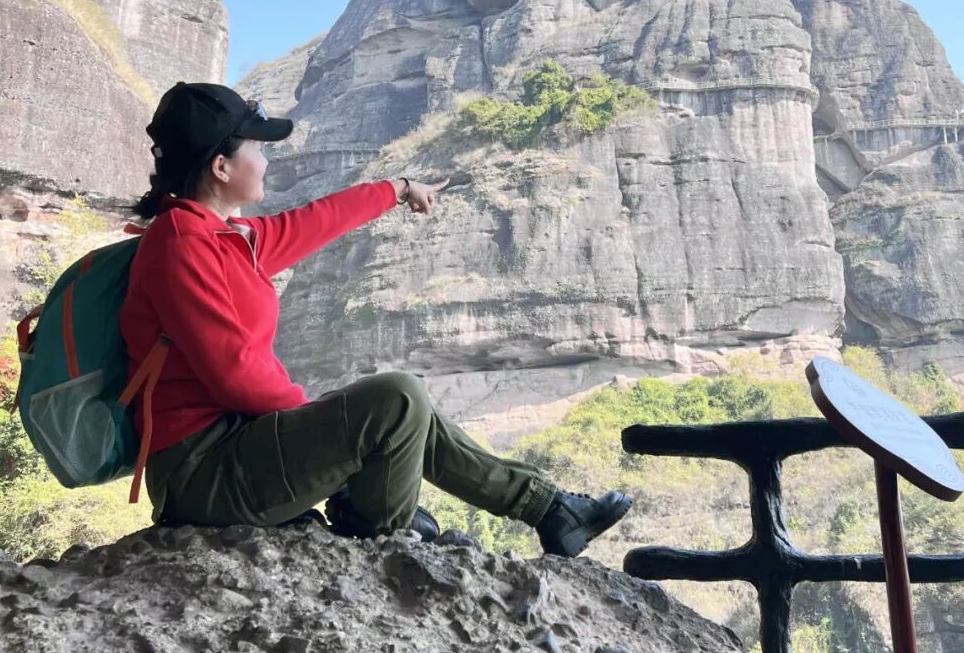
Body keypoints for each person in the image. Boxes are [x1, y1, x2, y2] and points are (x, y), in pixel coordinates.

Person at [119, 81, 632, 557]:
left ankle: (549, 510)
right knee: (397, 399)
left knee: (405, 407)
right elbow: (234, 375)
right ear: (221, 167)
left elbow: (317, 220)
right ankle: (381, 529)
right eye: (256, 147)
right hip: (203, 470)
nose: (266, 159)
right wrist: (324, 428)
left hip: (240, 448)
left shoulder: (230, 238)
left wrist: (399, 188)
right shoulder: (183, 242)